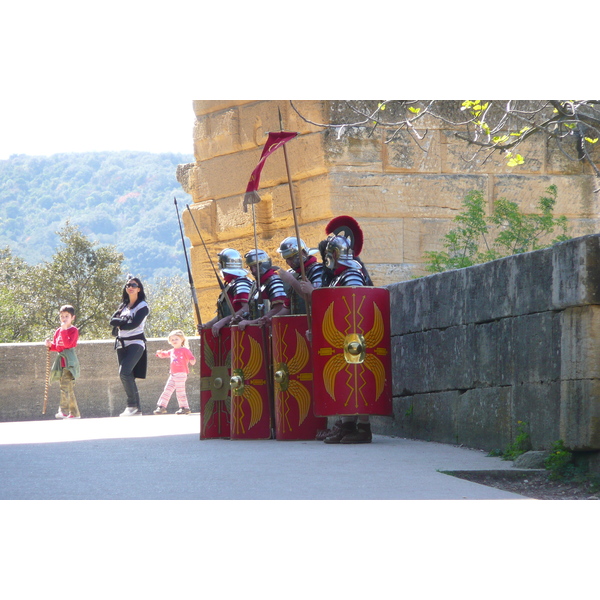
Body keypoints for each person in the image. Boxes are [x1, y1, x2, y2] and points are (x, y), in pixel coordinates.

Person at [320, 233, 373, 444]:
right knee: (344, 380)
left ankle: (363, 428)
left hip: (354, 337)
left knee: (358, 381)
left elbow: (356, 307)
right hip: (342, 337)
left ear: (334, 254)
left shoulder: (351, 274)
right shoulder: (339, 276)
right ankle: (347, 424)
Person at [109, 276, 149, 416]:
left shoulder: (143, 306)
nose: (130, 287)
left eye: (133, 285)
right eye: (128, 285)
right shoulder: (123, 306)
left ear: (139, 289)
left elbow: (134, 324)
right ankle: (136, 409)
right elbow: (111, 321)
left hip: (136, 343)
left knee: (124, 372)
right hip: (121, 344)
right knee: (128, 375)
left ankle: (131, 405)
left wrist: (121, 323)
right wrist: (122, 322)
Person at [201, 248, 253, 337]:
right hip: (230, 333)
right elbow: (223, 314)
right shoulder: (231, 284)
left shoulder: (241, 283)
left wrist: (224, 321)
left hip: (242, 333)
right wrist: (207, 325)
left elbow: (247, 309)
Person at [236, 249, 289, 330]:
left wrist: (252, 322)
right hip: (260, 331)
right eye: (250, 267)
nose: (253, 271)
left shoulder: (274, 281)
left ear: (264, 263)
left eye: (256, 266)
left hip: (272, 330)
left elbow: (279, 308)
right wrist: (245, 320)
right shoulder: (256, 284)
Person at [45, 304, 81, 419]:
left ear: (72, 317)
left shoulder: (73, 330)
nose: (64, 319)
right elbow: (59, 347)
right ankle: (74, 413)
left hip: (69, 362)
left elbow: (69, 344)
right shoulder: (58, 331)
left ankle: (64, 411)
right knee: (67, 387)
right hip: (61, 362)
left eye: (66, 316)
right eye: (62, 316)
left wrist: (64, 330)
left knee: (65, 386)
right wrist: (50, 345)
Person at [275, 236, 324, 315]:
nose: (288, 262)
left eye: (291, 258)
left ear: (303, 253)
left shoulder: (317, 270)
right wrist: (272, 319)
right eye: (286, 259)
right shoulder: (293, 273)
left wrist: (292, 281)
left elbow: (316, 300)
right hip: (298, 324)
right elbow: (288, 306)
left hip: (314, 322)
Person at [153, 330, 196, 415]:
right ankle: (161, 406)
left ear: (182, 340)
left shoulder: (185, 350)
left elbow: (191, 358)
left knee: (180, 391)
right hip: (173, 374)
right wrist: (160, 353)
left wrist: (192, 360)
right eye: (172, 340)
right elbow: (165, 354)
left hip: (181, 374)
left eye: (176, 339)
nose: (174, 341)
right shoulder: (172, 350)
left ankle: (184, 407)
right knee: (167, 390)